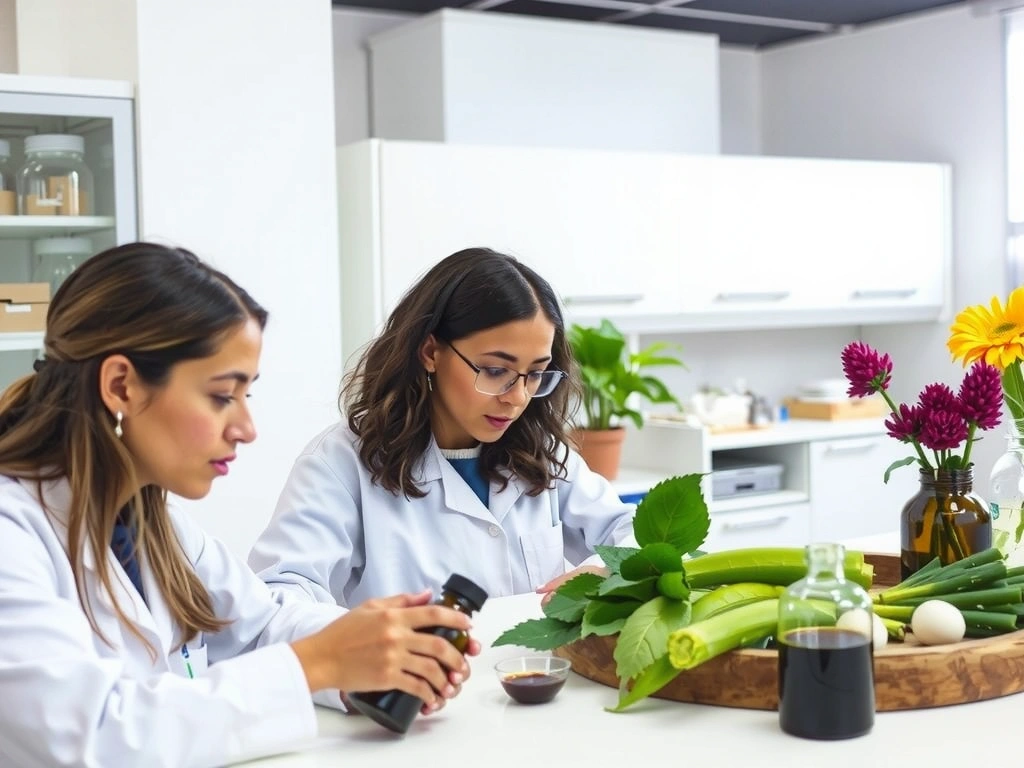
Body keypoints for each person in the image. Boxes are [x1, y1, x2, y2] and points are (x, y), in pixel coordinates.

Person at [0, 243, 478, 768]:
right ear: (121, 386)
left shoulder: (152, 525)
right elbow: (87, 735)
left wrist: (371, 652)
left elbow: (259, 625)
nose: (246, 429)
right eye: (222, 396)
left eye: (246, 395)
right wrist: (315, 664)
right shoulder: (13, 535)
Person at [248, 247, 636, 608]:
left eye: (535, 374)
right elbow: (280, 594)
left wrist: (611, 571)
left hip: (534, 679)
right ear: (431, 352)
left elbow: (635, 534)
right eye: (496, 370)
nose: (516, 397)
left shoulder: (542, 454)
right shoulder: (341, 464)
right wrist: (364, 637)